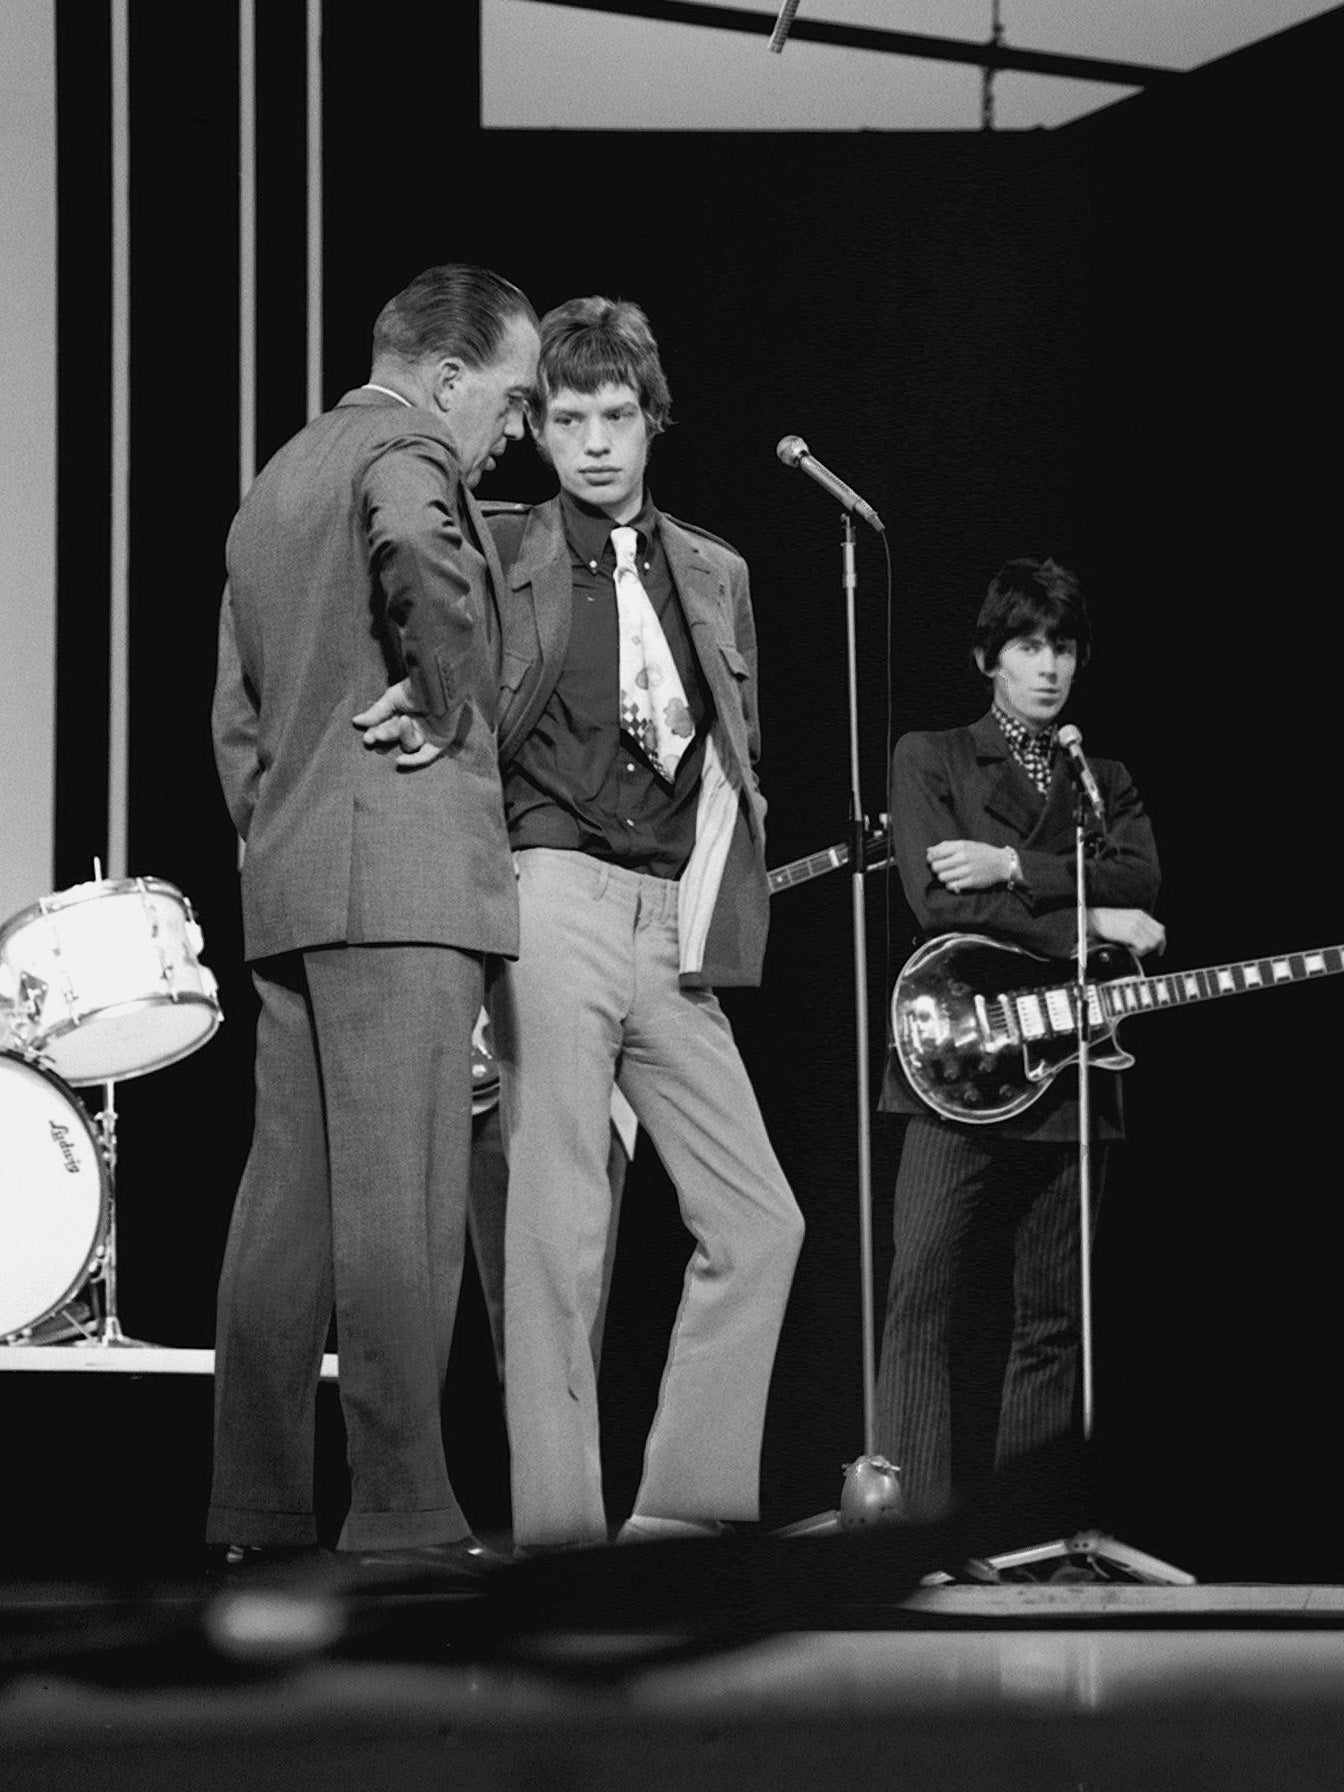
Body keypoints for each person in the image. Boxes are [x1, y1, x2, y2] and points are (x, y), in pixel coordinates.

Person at [207, 262, 539, 1577]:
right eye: (510, 403)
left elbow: (234, 712)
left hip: (295, 878)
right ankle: (402, 1513)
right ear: (449, 378)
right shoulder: (406, 448)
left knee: (289, 1202)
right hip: (395, 878)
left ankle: (255, 1508)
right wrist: (447, 689)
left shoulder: (278, 478)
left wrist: (281, 826)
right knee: (403, 1198)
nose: (512, 432)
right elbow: (413, 541)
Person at [482, 296, 805, 1551]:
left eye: (618, 416)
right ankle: (563, 1544)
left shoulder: (715, 570)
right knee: (559, 1233)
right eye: (569, 420)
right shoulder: (502, 551)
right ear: (543, 430)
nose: (597, 443)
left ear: (651, 419)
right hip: (551, 893)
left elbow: (739, 750)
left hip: (672, 918)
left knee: (759, 1218)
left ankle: (677, 1518)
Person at [874, 557, 1164, 1525]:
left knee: (1054, 1309)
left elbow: (1142, 880)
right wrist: (1089, 926)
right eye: (1029, 647)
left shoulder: (1100, 775)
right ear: (987, 657)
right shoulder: (933, 756)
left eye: (1064, 649)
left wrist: (1010, 862)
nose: (1048, 669)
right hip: (955, 1051)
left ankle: (1028, 1529)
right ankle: (906, 1526)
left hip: (1075, 1062)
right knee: (921, 1287)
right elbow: (935, 904)